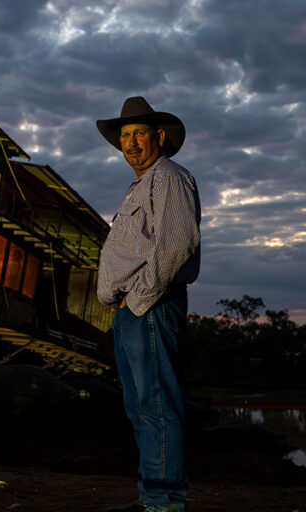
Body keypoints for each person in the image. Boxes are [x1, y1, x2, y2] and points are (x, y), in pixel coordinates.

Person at [96, 97, 201, 512]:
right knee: (141, 408)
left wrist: (137, 302)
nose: (132, 143)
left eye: (139, 133)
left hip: (152, 308)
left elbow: (176, 246)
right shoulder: (140, 186)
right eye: (125, 136)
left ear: (159, 136)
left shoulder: (170, 177)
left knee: (158, 405)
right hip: (133, 311)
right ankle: (152, 498)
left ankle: (164, 502)